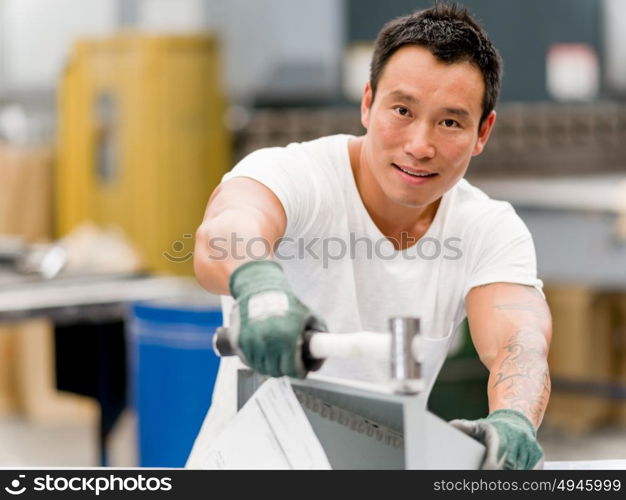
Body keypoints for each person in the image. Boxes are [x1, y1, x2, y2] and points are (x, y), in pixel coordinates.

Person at [192, 3, 551, 470]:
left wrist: (514, 418)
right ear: (367, 103)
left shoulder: (488, 227)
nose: (420, 145)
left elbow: (517, 337)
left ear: (483, 132)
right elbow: (227, 229)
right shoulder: (297, 175)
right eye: (402, 110)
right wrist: (260, 286)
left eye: (450, 122)